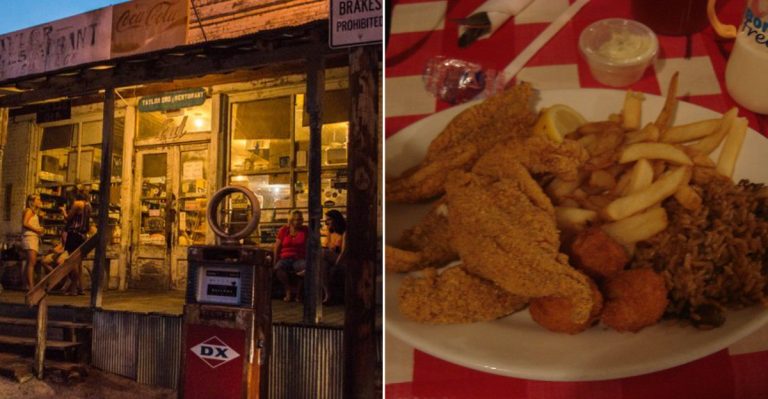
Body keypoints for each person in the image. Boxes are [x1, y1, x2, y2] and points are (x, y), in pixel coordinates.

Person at [273, 210, 308, 302]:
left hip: (299, 257)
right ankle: (288, 290)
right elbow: (277, 246)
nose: (299, 221)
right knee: (278, 268)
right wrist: (275, 260)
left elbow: (310, 245)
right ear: (291, 220)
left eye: (300, 219)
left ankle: (298, 293)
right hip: (285, 257)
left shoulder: (305, 230)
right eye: (296, 219)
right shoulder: (284, 230)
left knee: (304, 268)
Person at [63, 190, 91, 295]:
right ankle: (81, 288)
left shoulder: (77, 204)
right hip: (82, 236)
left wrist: (63, 211)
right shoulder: (88, 206)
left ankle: (73, 289)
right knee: (79, 263)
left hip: (74, 235)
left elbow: (68, 218)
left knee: (72, 262)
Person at [322, 210, 346, 304]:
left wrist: (336, 265)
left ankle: (309, 268)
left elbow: (344, 252)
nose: (326, 222)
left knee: (322, 253)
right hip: (332, 257)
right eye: (326, 220)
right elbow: (327, 246)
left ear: (336, 220)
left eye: (329, 220)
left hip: (343, 259)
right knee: (323, 266)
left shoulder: (344, 232)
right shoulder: (330, 232)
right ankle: (328, 294)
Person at [21, 194, 44, 290]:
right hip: (30, 238)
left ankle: (26, 285)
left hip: (33, 237)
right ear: (32, 201)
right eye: (38, 199)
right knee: (32, 262)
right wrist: (37, 230)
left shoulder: (34, 212)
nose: (40, 201)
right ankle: (31, 286)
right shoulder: (29, 210)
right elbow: (25, 223)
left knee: (30, 262)